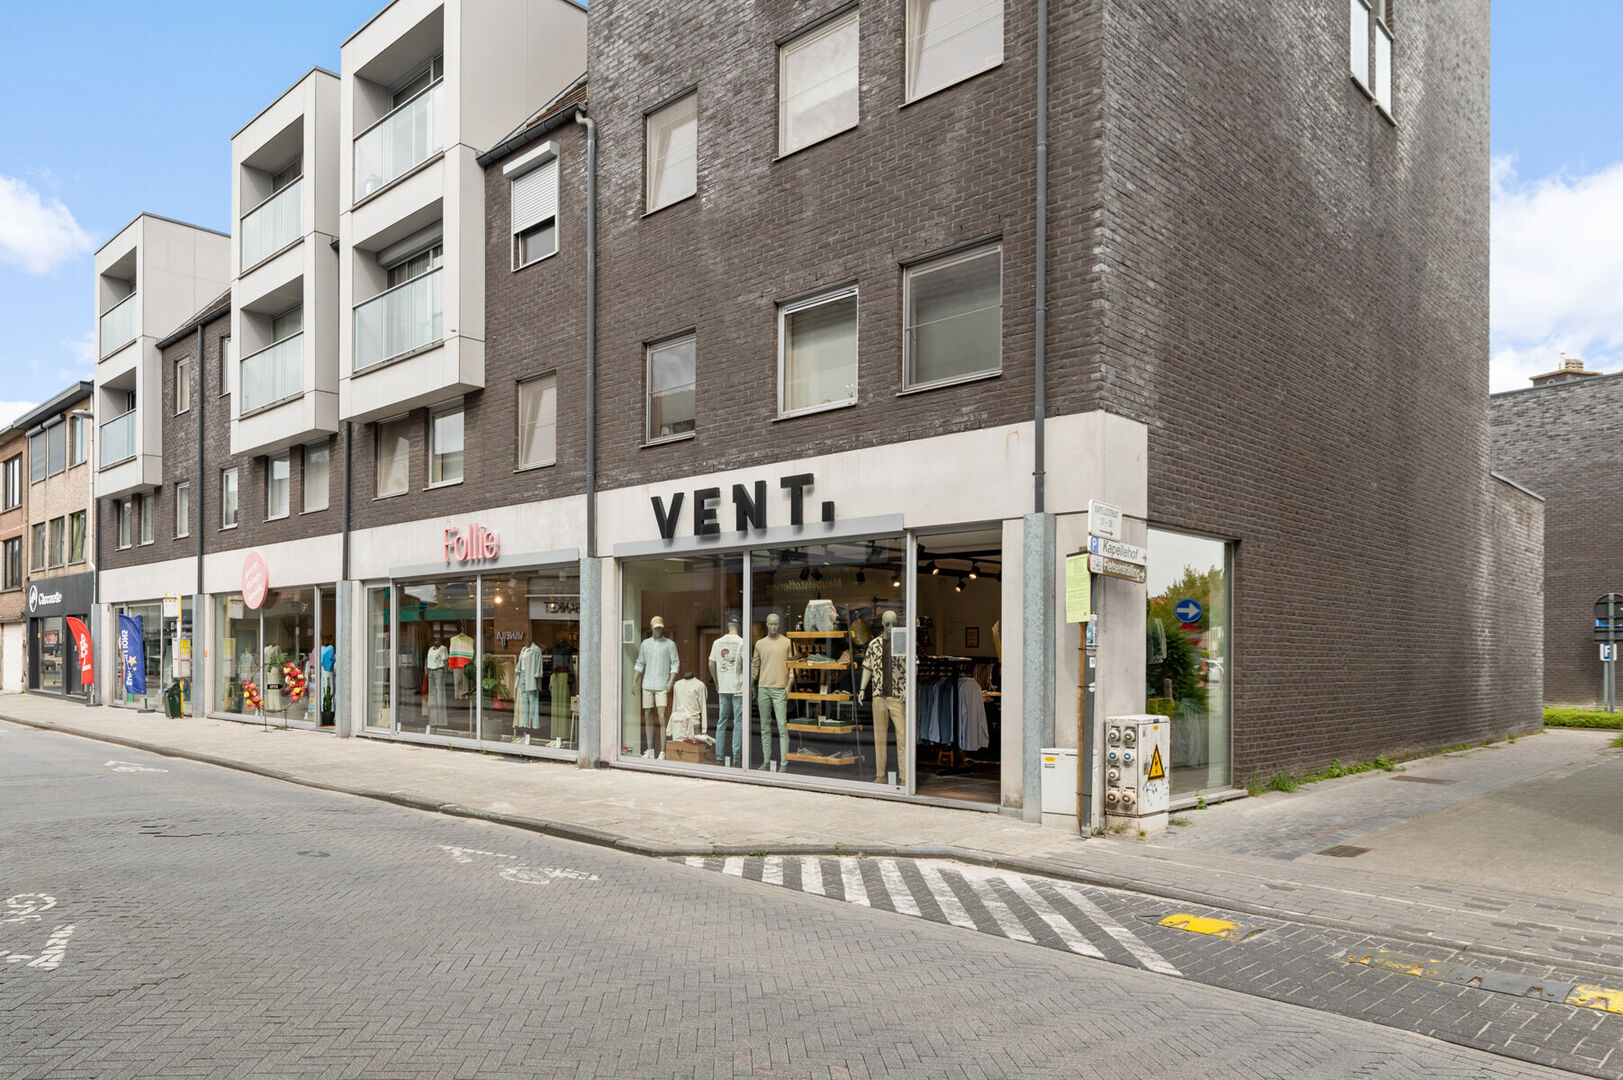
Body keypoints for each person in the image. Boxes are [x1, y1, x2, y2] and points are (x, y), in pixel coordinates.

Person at [857, 609, 906, 785]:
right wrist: (862, 689)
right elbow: (867, 667)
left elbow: (912, 664)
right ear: (883, 624)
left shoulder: (902, 642)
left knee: (902, 735)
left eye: (894, 624)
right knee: (879, 736)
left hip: (897, 695)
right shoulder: (874, 644)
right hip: (878, 694)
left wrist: (908, 686)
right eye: (888, 624)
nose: (891, 627)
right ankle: (880, 773)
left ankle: (905, 775)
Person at [632, 616, 680, 757]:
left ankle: (663, 751)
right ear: (651, 627)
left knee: (662, 716)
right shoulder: (645, 644)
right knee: (647, 715)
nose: (658, 630)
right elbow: (640, 663)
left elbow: (675, 664)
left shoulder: (670, 644)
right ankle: (650, 749)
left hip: (662, 685)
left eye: (660, 627)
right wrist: (635, 681)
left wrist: (671, 681)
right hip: (647, 684)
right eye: (656, 627)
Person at [751, 612, 792, 770]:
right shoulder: (760, 644)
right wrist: (752, 684)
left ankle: (784, 763)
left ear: (779, 624)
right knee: (764, 726)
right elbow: (755, 665)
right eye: (771, 624)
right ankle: (766, 760)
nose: (773, 627)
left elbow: (792, 665)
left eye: (776, 624)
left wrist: (789, 685)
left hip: (780, 688)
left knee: (782, 726)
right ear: (766, 625)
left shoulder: (787, 642)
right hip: (763, 687)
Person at [708, 617, 745, 765]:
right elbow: (745, 665)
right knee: (738, 722)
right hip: (738, 687)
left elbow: (711, 663)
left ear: (728, 626)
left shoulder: (717, 642)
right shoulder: (742, 642)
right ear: (738, 626)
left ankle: (719, 757)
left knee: (721, 721)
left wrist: (717, 681)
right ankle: (736, 758)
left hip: (723, 687)